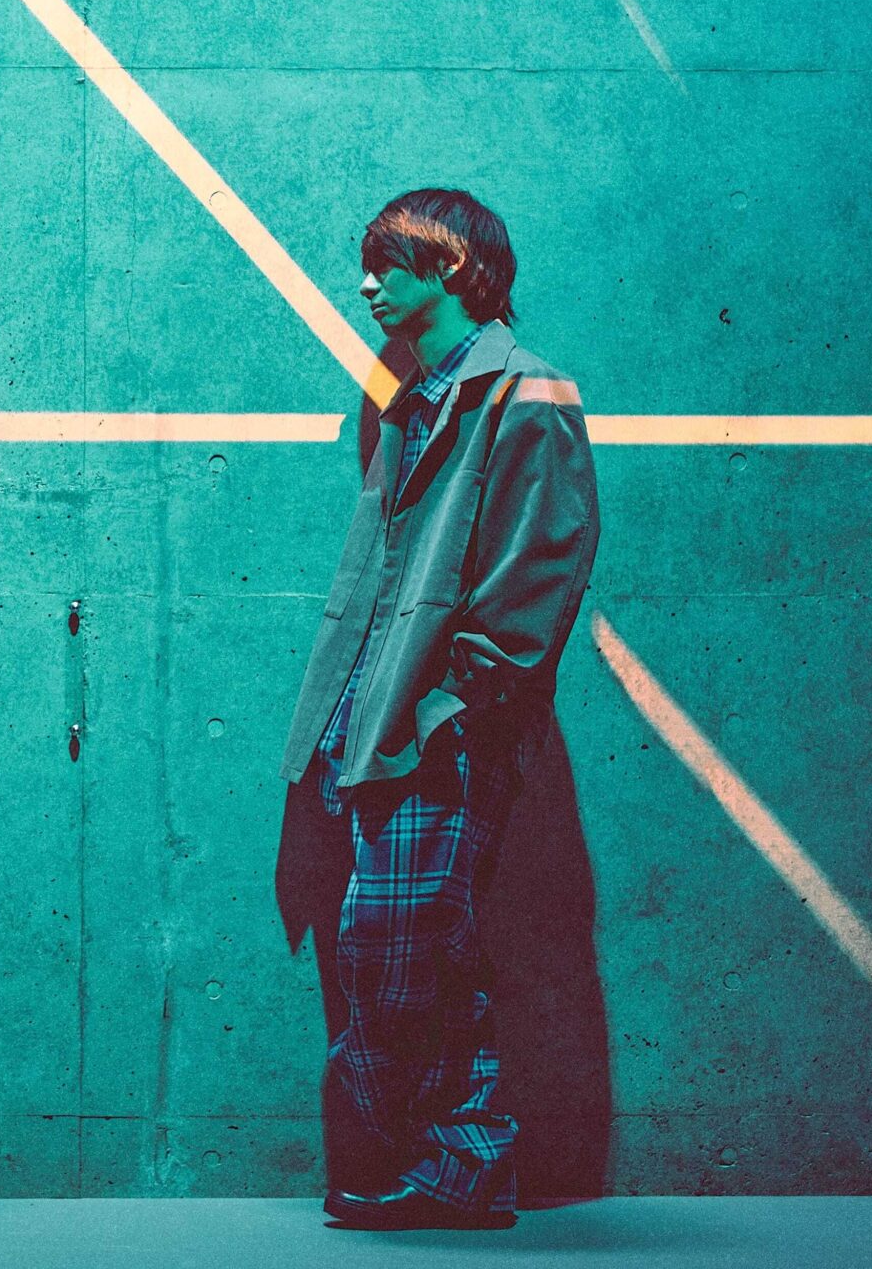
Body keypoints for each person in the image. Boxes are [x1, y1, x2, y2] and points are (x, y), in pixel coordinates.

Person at [275, 188, 599, 1230]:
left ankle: (457, 1162)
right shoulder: (411, 399)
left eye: (389, 262)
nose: (367, 283)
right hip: (370, 722)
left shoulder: (525, 391)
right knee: (406, 946)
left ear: (453, 265)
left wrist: (448, 711)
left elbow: (538, 575)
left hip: (435, 729)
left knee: (400, 943)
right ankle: (455, 1165)